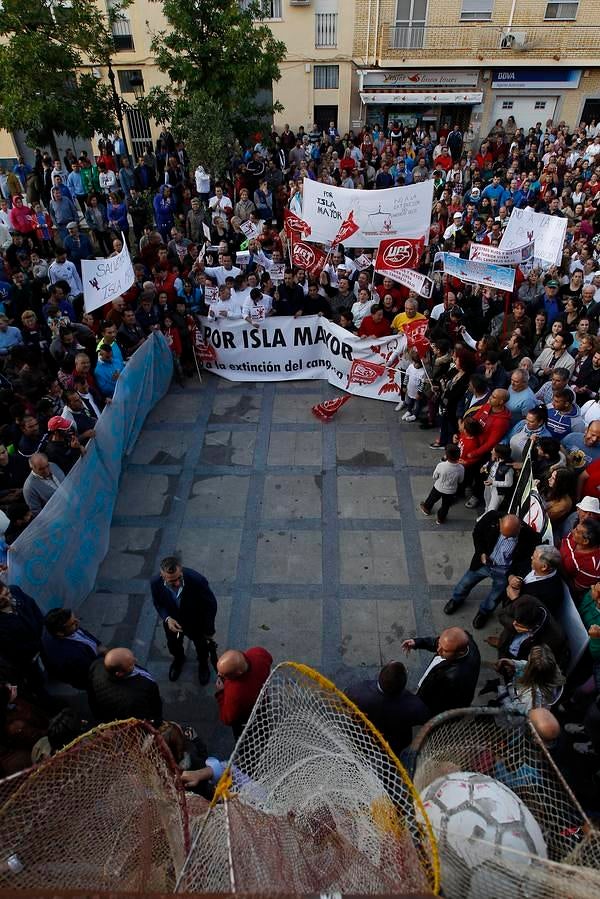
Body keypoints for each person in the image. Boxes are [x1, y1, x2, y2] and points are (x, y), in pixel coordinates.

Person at [444, 512, 542, 628]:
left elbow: (526, 561)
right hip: (483, 564)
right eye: (503, 534)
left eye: (510, 537)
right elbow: (477, 533)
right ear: (500, 522)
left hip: (504, 571)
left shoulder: (530, 537)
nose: (505, 538)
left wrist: (513, 575)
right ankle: (456, 599)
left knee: (495, 596)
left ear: (519, 528)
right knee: (465, 583)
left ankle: (484, 612)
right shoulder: (491, 517)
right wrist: (481, 552)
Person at [150, 556, 218, 684]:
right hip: (173, 624)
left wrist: (209, 629)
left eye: (178, 578)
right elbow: (158, 603)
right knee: (173, 644)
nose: (176, 583)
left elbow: (211, 606)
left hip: (197, 624)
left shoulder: (197, 581)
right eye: (171, 580)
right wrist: (167, 618)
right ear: (162, 575)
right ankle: (179, 660)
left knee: (202, 647)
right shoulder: (155, 583)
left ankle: (203, 665)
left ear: (181, 571)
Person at [344, 661, 429, 754]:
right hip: (393, 745)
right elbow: (424, 717)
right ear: (403, 684)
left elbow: (345, 700)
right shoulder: (414, 706)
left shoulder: (358, 692)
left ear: (380, 675)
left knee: (362, 755)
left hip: (363, 739)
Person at [401, 627, 481, 716]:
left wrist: (419, 700)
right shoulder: (462, 643)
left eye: (445, 650)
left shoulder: (453, 679)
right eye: (440, 644)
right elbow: (437, 642)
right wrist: (418, 642)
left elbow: (436, 700)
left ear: (460, 653)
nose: (438, 650)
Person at [87, 647, 162, 725]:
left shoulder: (96, 665)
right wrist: (157, 721)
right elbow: (150, 711)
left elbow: (91, 696)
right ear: (119, 674)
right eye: (131, 664)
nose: (136, 660)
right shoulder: (141, 691)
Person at [215, 647, 272, 738]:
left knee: (244, 737)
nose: (219, 675)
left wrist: (221, 693)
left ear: (239, 673)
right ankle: (265, 738)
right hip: (262, 702)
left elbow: (227, 719)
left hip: (246, 716)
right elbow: (269, 658)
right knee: (263, 722)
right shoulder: (258, 653)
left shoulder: (234, 693)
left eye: (225, 675)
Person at [41, 608, 104, 689]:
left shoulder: (66, 630)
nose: (78, 622)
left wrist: (97, 643)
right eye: (73, 623)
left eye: (75, 618)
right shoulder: (72, 655)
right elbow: (91, 671)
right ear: (60, 633)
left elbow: (83, 633)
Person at [419, 443, 464, 524]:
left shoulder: (441, 465)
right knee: (446, 506)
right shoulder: (461, 468)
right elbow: (460, 480)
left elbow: (435, 476)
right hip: (451, 491)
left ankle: (426, 509)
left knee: (432, 498)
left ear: (446, 455)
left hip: (438, 487)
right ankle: (440, 518)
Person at [22, 452, 65, 517]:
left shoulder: (53, 465)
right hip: (59, 517)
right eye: (41, 469)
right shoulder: (29, 488)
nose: (46, 471)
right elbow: (37, 512)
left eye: (47, 466)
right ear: (32, 468)